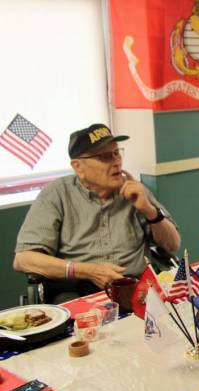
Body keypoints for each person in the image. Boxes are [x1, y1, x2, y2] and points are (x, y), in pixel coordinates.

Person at [13, 123, 181, 303]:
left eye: (117, 153)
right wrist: (87, 270)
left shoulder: (134, 190)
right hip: (77, 290)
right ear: (78, 167)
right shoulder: (57, 194)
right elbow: (23, 259)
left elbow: (173, 245)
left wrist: (149, 210)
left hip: (135, 287)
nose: (116, 162)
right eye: (105, 157)